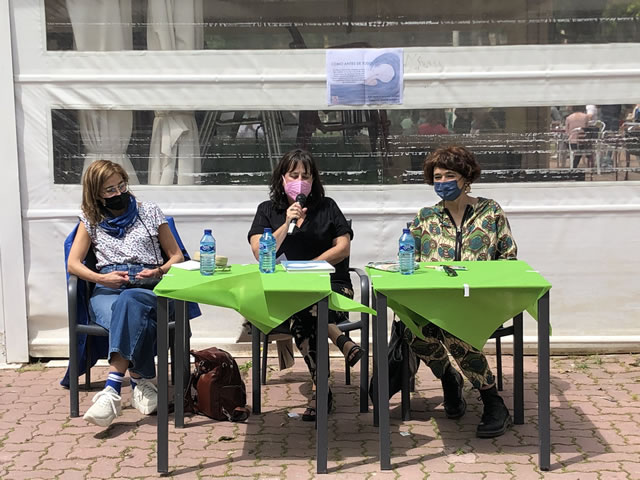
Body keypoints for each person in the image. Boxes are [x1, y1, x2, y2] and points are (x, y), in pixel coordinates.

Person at [408, 145, 516, 438]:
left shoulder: (490, 211)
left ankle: (492, 400)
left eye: (449, 175)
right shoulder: (425, 217)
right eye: (437, 176)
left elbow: (509, 259)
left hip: (481, 301)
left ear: (466, 176)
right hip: (437, 302)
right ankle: (449, 378)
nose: (442, 181)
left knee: (451, 328)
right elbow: (410, 263)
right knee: (409, 326)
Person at [247, 148, 363, 421]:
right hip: (284, 294)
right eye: (294, 174)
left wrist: (313, 267)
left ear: (314, 180)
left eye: (306, 176)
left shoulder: (328, 206)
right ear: (281, 178)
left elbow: (343, 247)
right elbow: (260, 251)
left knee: (305, 310)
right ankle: (341, 342)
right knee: (304, 310)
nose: (300, 180)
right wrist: (287, 222)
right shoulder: (267, 211)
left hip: (333, 288)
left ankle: (321, 391)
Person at [67, 160, 184, 427]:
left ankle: (111, 390)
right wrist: (101, 277)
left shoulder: (150, 211)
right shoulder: (90, 218)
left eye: (121, 186)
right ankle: (141, 381)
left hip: (148, 285)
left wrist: (159, 271)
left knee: (130, 302)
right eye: (109, 190)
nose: (118, 194)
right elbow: (73, 263)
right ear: (96, 193)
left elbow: (176, 256)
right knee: (129, 311)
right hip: (108, 287)